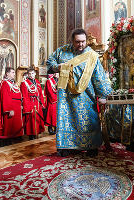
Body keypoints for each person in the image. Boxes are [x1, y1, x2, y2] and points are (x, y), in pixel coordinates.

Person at [46, 28, 112, 157]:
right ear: (72, 41)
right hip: (66, 97)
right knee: (68, 120)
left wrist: (103, 95)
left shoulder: (92, 55)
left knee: (88, 120)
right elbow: (50, 61)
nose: (80, 44)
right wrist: (56, 67)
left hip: (86, 96)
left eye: (83, 41)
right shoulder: (62, 51)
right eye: (77, 42)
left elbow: (98, 77)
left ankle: (91, 146)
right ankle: (68, 146)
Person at [0, 67, 24, 146]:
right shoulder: (5, 83)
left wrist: (20, 104)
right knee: (9, 125)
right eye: (12, 72)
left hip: (17, 106)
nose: (14, 74)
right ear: (7, 73)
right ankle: (7, 139)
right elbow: (5, 97)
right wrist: (9, 109)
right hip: (11, 107)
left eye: (14, 72)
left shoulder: (12, 83)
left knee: (16, 124)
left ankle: (15, 137)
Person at [20, 68, 44, 140]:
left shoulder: (37, 82)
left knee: (37, 119)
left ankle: (36, 132)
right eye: (29, 74)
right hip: (30, 103)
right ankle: (31, 134)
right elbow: (24, 96)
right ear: (27, 74)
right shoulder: (24, 83)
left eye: (32, 73)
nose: (31, 75)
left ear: (35, 74)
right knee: (31, 120)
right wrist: (27, 107)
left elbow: (40, 94)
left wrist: (42, 103)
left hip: (37, 102)